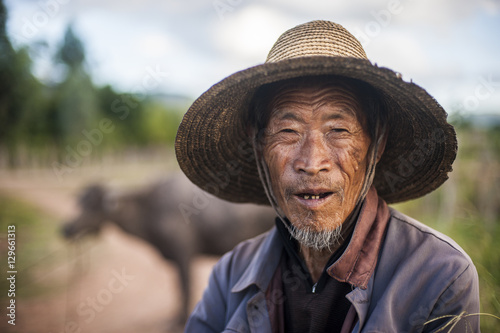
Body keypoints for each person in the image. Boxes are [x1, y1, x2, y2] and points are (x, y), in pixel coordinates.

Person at [175, 20, 480, 332]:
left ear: (376, 143)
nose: (312, 162)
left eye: (338, 130)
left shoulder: (441, 276)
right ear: (259, 146)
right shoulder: (230, 275)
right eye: (288, 132)